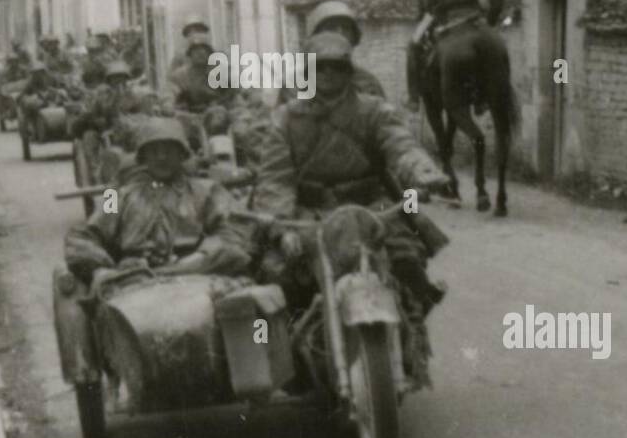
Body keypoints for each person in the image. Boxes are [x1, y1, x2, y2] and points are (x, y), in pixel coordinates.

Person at [252, 32, 451, 381]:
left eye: (338, 67)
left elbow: (399, 144)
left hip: (368, 206)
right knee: (278, 272)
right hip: (308, 213)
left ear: (349, 71)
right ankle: (293, 361)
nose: (329, 75)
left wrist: (422, 170)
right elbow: (274, 178)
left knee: (406, 257)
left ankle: (412, 335)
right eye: (320, 67)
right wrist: (282, 226)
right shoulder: (285, 118)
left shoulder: (373, 110)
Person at [64, 117, 253, 283]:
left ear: (182, 154)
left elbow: (233, 229)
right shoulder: (117, 194)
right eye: (154, 150)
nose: (162, 157)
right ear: (143, 156)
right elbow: (86, 234)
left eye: (169, 150)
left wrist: (200, 256)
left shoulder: (207, 190)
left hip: (196, 273)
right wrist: (103, 268)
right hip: (133, 278)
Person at [409, 0, 505, 109]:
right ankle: (483, 96)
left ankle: (413, 98)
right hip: (476, 19)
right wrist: (490, 24)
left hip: (449, 19)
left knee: (413, 44)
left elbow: (428, 4)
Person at [280, 0, 384, 103]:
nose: (339, 33)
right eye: (331, 27)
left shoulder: (368, 83)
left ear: (354, 37)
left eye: (346, 28)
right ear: (315, 36)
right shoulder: (295, 85)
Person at [168, 32, 236, 114]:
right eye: (196, 50)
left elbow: (236, 93)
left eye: (205, 49)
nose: (201, 53)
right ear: (189, 54)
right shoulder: (181, 75)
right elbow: (171, 91)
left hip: (221, 112)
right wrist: (168, 104)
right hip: (191, 114)